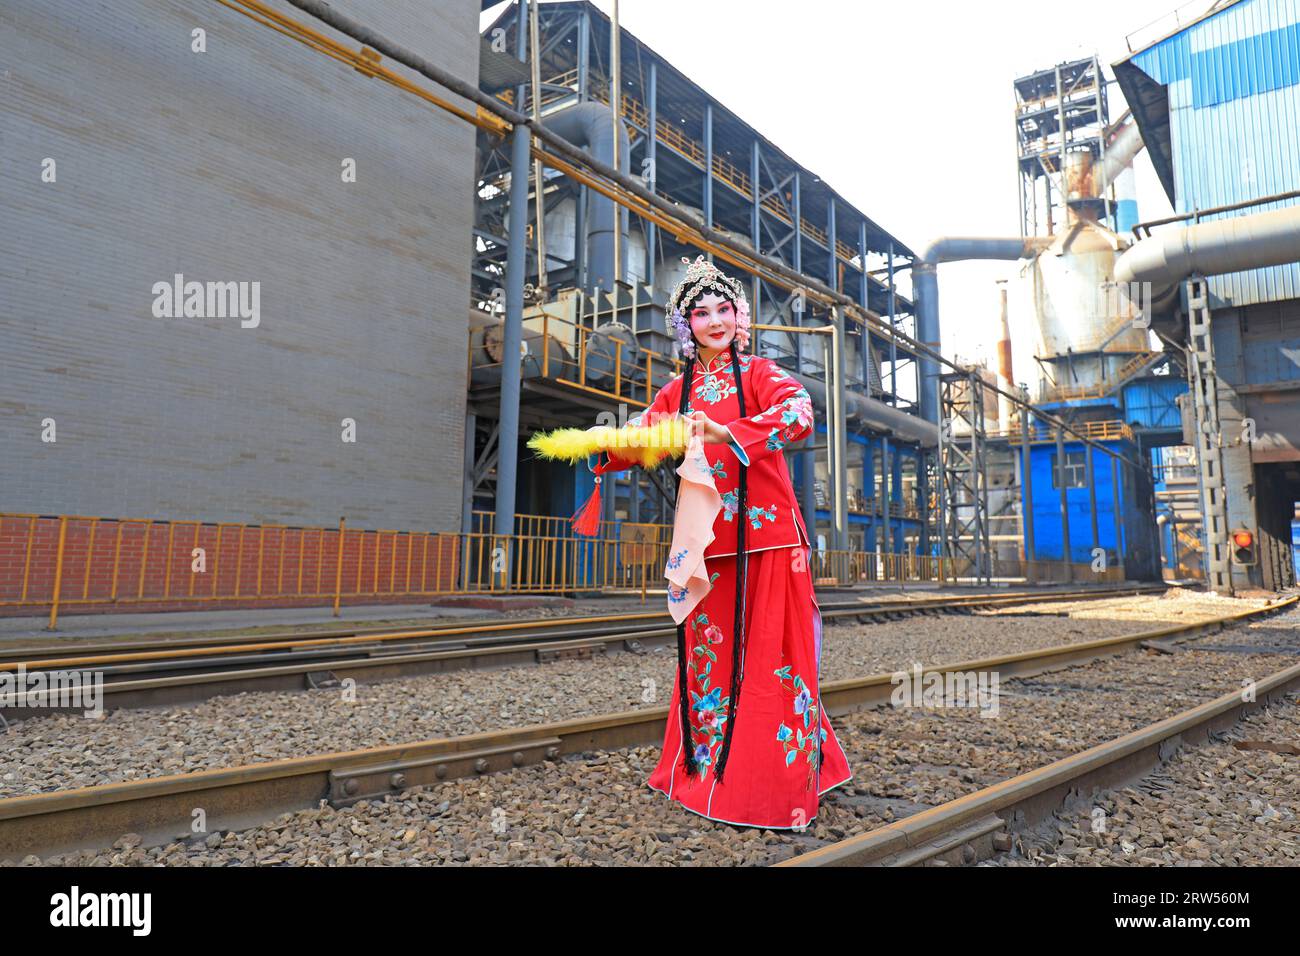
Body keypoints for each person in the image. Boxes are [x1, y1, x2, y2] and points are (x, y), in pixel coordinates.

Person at [594, 254, 852, 830]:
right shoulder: (676, 389)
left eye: (725, 308)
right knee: (708, 659)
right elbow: (644, 437)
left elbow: (799, 413)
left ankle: (768, 785)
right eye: (701, 312)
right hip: (706, 546)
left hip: (768, 539)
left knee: (771, 660)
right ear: (686, 326)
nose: (716, 320)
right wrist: (603, 444)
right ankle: (706, 777)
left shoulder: (760, 373)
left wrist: (727, 432)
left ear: (740, 316)